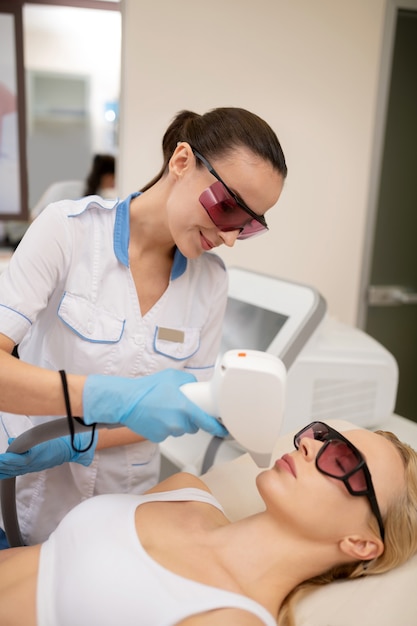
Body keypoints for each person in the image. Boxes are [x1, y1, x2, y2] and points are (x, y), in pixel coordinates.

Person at [0, 107, 288, 547]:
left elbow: (178, 404)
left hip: (128, 505)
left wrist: (84, 441)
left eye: (248, 226)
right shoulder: (68, 231)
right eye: (229, 208)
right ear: (181, 162)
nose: (230, 238)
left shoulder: (210, 282)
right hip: (34, 490)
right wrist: (99, 399)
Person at [0, 421, 416, 626]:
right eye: (322, 435)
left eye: (343, 460)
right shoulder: (185, 491)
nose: (308, 444)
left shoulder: (230, 619)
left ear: (360, 543)